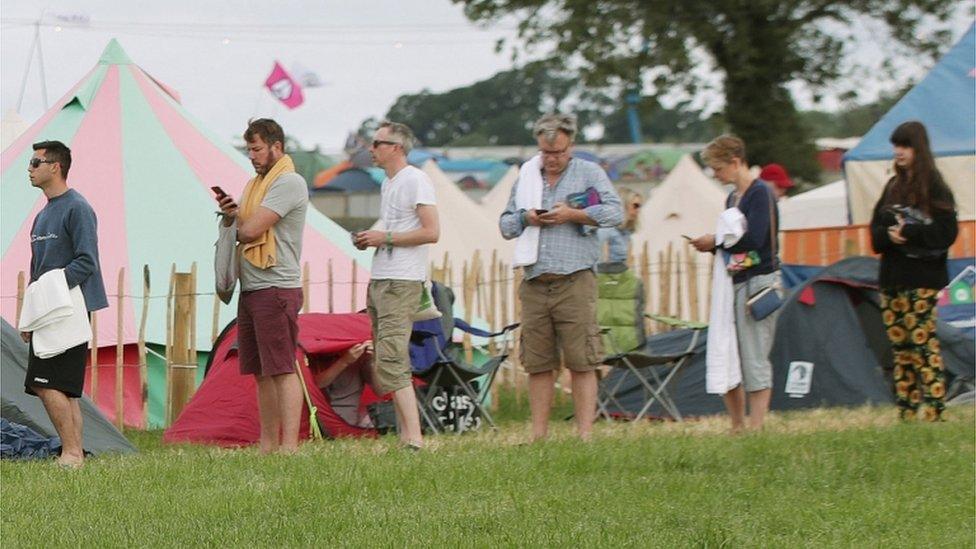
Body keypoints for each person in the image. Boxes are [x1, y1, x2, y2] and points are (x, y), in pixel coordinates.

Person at [500, 113, 623, 442]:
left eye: (558, 153)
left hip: (575, 280)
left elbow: (615, 212)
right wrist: (526, 218)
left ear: (571, 145)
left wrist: (574, 214)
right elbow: (505, 225)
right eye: (546, 153)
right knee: (538, 362)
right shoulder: (526, 177)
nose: (552, 159)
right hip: (535, 281)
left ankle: (584, 434)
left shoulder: (589, 173)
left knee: (582, 359)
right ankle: (539, 434)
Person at [217, 119, 308, 454]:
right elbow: (245, 222)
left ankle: (289, 446)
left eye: (256, 149)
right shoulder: (257, 184)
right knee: (261, 372)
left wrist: (236, 222)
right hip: (253, 285)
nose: (252, 156)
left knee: (282, 368)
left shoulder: (289, 182)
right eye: (249, 150)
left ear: (276, 147)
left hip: (276, 286)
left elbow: (252, 230)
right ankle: (268, 444)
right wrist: (232, 214)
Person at [20, 140, 108, 468]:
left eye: (34, 162)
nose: (29, 169)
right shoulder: (42, 215)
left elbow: (87, 261)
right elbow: (36, 271)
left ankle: (71, 453)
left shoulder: (77, 207)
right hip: (48, 308)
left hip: (69, 307)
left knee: (44, 383)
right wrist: (32, 315)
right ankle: (75, 454)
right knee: (64, 387)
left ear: (55, 167)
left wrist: (50, 296)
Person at [353, 121, 439, 451]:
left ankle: (414, 437)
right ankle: (407, 434)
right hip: (383, 277)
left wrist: (384, 238)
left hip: (402, 280)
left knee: (390, 356)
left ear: (396, 148)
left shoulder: (416, 180)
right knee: (387, 356)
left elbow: (432, 232)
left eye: (377, 143)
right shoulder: (389, 184)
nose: (371, 148)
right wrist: (371, 240)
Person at [690, 135, 781, 433]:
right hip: (736, 280)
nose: (716, 175)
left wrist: (715, 241)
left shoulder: (760, 194)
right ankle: (737, 424)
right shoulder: (732, 198)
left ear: (735, 162)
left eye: (718, 168)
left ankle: (756, 425)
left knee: (754, 354)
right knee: (729, 351)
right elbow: (735, 243)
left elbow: (755, 239)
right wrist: (717, 245)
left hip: (759, 282)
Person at [869, 121, 958, 422]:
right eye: (896, 146)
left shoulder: (934, 185)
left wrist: (912, 232)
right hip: (892, 276)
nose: (899, 152)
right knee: (900, 347)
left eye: (904, 146)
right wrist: (888, 236)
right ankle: (907, 411)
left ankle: (934, 410)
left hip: (922, 278)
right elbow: (875, 232)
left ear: (918, 148)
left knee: (922, 342)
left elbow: (947, 232)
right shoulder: (892, 187)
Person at [311, 341, 375, 428]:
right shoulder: (310, 353)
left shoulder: (360, 355)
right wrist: (344, 361)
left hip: (346, 421)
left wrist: (375, 360)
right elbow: (317, 385)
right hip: (316, 418)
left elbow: (382, 390)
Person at [597, 188, 642, 264]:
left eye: (639, 206)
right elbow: (598, 262)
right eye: (635, 205)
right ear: (624, 205)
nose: (638, 210)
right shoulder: (606, 231)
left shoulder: (627, 233)